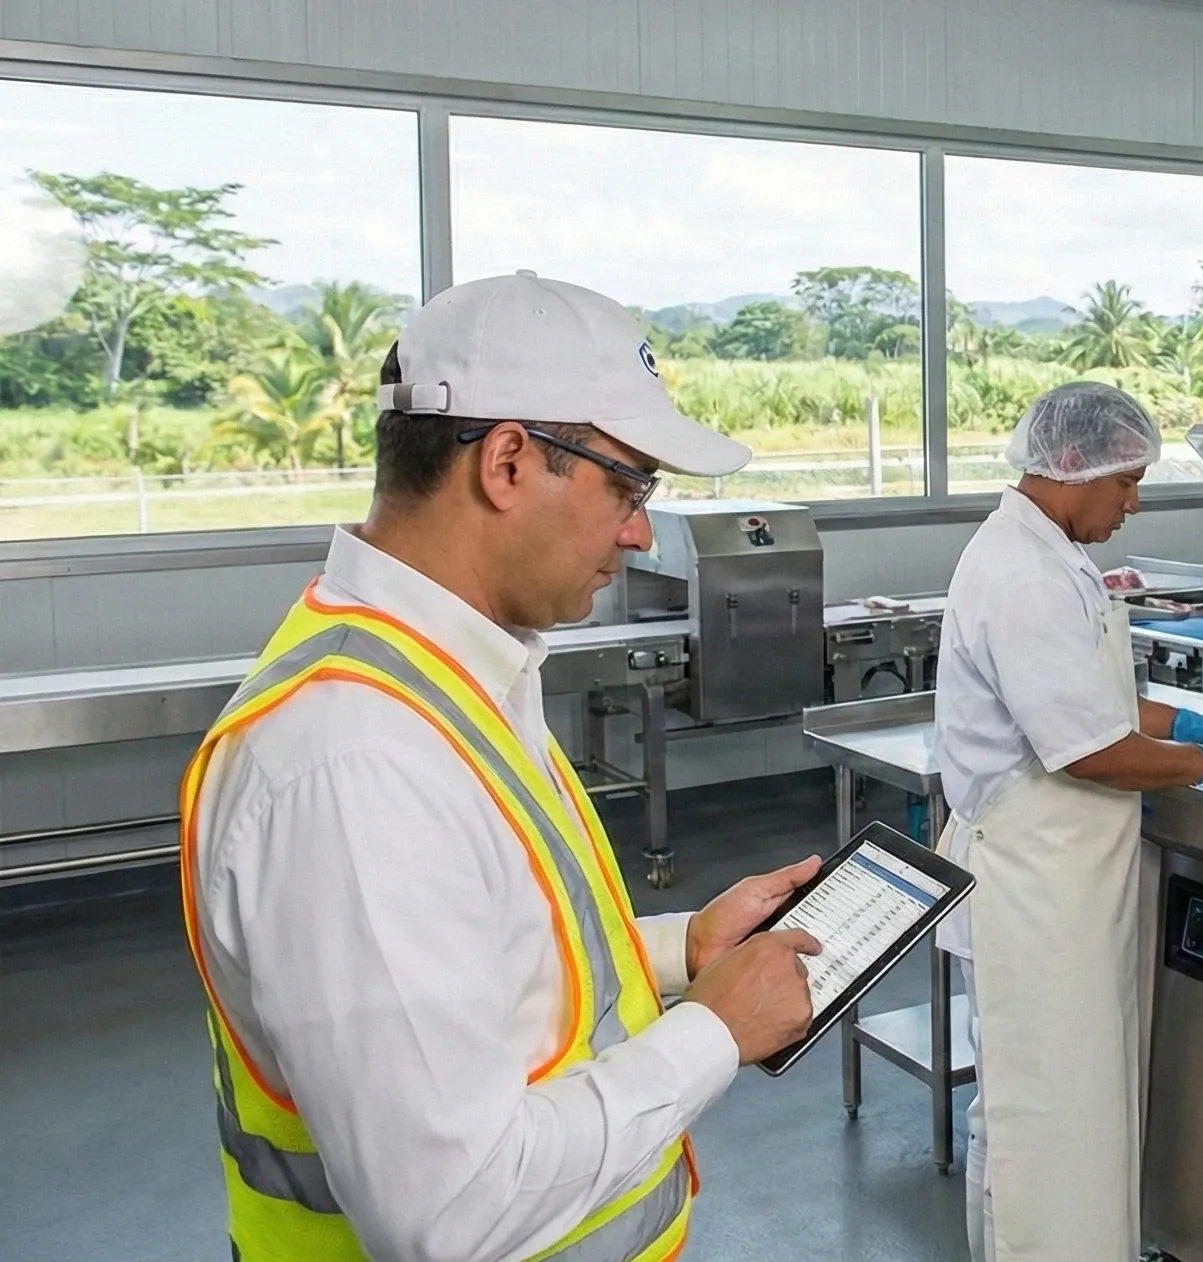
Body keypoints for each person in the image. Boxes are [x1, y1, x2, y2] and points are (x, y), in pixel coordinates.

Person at [182, 271, 828, 1262]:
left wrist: (682, 951)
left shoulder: (454, 676)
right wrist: (712, 1031)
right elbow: (453, 1212)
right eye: (628, 485)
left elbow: (495, 963)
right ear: (509, 462)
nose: (638, 531)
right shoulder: (357, 761)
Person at [936, 382, 1203, 1262]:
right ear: (1070, 465)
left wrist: (1188, 719)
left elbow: (1095, 702)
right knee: (1044, 1125)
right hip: (1032, 892)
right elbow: (1087, 751)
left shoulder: (1048, 551)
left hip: (1064, 886)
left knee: (1049, 1115)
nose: (1133, 504)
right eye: (1125, 483)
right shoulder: (1023, 575)